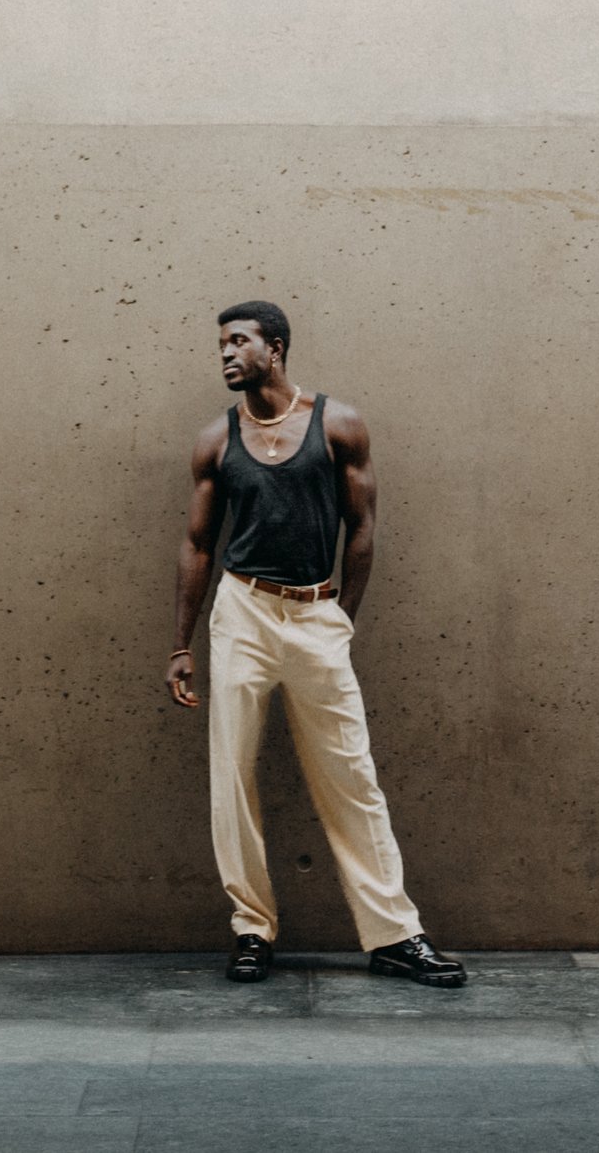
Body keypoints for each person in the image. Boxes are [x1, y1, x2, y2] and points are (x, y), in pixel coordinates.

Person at [166, 299, 465, 987]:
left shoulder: (338, 424)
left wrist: (340, 619)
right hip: (240, 610)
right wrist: (181, 644)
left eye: (238, 341)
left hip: (314, 613)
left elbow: (361, 528)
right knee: (230, 776)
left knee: (352, 776)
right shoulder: (216, 440)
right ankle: (251, 929)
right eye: (221, 343)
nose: (226, 354)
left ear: (275, 347)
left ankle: (394, 934)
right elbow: (196, 544)